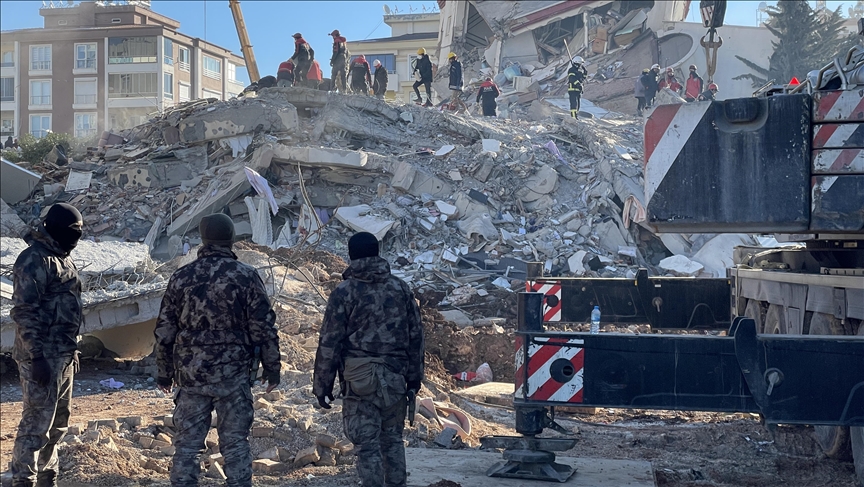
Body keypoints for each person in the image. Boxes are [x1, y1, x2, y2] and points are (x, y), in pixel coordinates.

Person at [154, 213, 281, 487]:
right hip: (233, 375)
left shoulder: (181, 277)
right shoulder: (246, 276)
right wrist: (272, 368)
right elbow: (263, 328)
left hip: (191, 375)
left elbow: (165, 330)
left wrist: (164, 372)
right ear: (232, 239)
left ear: (203, 239)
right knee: (235, 443)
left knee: (187, 445)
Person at [313, 232, 424, 487]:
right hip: (395, 378)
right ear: (377, 253)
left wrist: (322, 385)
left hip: (358, 381)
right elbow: (416, 338)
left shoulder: (344, 292)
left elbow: (330, 342)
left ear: (351, 256)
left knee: (367, 446)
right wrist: (414, 380)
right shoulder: (401, 289)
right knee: (392, 440)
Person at [10, 203, 84, 487]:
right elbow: (25, 312)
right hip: (41, 356)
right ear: (55, 229)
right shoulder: (34, 259)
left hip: (63, 355)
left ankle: (47, 478)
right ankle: (23, 479)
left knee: (58, 425)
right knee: (35, 425)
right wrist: (37, 357)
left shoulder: (62, 258)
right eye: (73, 230)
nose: (77, 236)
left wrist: (72, 349)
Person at [329, 29, 350, 94]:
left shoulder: (337, 41)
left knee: (334, 75)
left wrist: (332, 61)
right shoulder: (344, 43)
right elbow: (348, 54)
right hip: (343, 60)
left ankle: (332, 90)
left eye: (333, 36)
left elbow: (336, 52)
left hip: (338, 60)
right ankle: (344, 90)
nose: (332, 37)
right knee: (343, 76)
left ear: (335, 35)